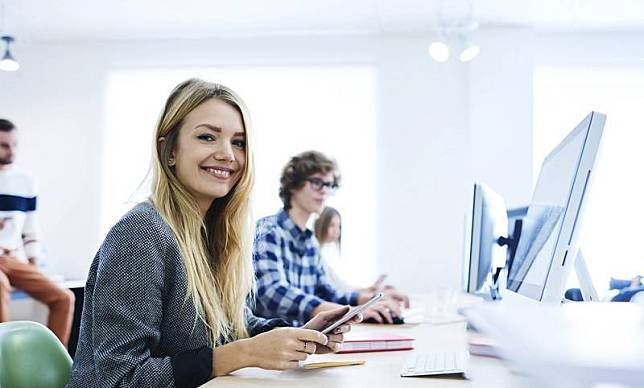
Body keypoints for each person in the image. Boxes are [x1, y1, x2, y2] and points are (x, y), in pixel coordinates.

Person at [68, 79, 360, 388]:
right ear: (169, 151)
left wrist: (298, 332)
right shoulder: (141, 233)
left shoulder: (213, 234)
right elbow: (120, 379)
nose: (228, 155)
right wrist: (241, 353)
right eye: (207, 137)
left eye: (238, 142)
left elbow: (232, 330)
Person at [253, 151, 403, 327]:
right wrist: (349, 312)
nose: (324, 190)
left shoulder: (310, 242)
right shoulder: (267, 230)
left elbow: (327, 292)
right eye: (317, 182)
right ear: (293, 185)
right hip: (274, 343)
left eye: (329, 184)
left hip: (307, 341)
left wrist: (370, 300)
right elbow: (272, 292)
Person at [0, 118, 75, 348]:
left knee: (64, 298)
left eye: (14, 144)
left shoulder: (26, 182)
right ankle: (5, 364)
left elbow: (30, 229)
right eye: (4, 145)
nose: (11, 150)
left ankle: (52, 359)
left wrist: (33, 265)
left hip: (13, 259)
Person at [314, 206, 410, 307]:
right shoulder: (315, 254)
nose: (336, 231)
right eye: (332, 225)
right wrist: (371, 295)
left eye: (339, 226)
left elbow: (340, 286)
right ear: (320, 224)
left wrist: (369, 290)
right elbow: (336, 289)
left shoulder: (320, 255)